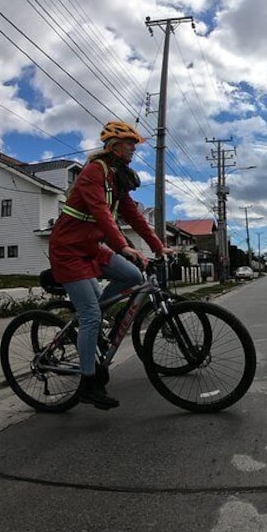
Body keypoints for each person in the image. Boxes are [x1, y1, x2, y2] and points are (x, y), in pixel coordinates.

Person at [49, 120, 172, 410]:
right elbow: (102, 214)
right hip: (68, 251)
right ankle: (88, 382)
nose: (133, 148)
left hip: (92, 248)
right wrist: (124, 246)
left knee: (132, 275)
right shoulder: (94, 172)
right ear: (115, 146)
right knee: (90, 316)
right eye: (130, 143)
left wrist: (157, 246)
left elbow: (134, 216)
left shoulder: (116, 178)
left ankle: (96, 316)